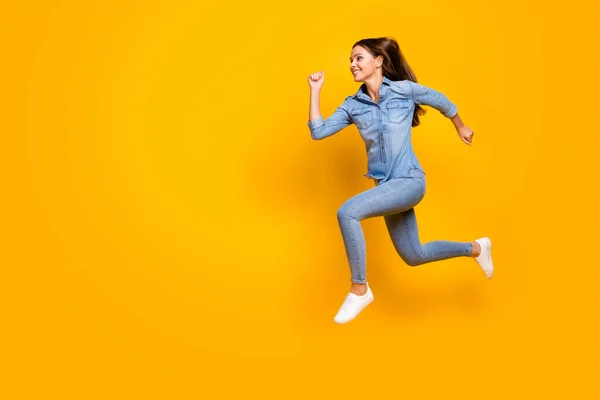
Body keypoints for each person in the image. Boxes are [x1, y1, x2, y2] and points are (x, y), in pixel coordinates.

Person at [306, 37, 494, 324]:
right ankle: (476, 248)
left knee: (347, 212)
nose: (352, 64)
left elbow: (442, 101)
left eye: (358, 58)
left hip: (409, 181)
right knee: (414, 254)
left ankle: (359, 289)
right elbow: (318, 132)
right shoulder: (353, 105)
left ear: (378, 61)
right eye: (351, 60)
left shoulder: (403, 91)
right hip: (386, 189)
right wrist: (315, 91)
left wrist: (461, 126)